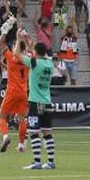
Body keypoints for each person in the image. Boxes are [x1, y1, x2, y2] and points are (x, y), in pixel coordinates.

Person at [22, 41, 56, 170]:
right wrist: (31, 45)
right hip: (47, 101)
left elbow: (17, 54)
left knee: (34, 132)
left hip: (36, 102)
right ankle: (51, 162)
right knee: (47, 132)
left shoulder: (33, 63)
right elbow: (39, 55)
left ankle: (37, 162)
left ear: (35, 52)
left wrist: (20, 39)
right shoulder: (49, 64)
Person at [0, 33, 30, 153]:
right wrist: (25, 38)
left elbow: (1, 43)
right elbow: (30, 47)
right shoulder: (27, 59)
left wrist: (5, 30)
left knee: (2, 116)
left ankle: (5, 137)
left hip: (12, 91)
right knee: (22, 119)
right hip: (23, 92)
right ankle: (21, 145)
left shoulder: (11, 57)